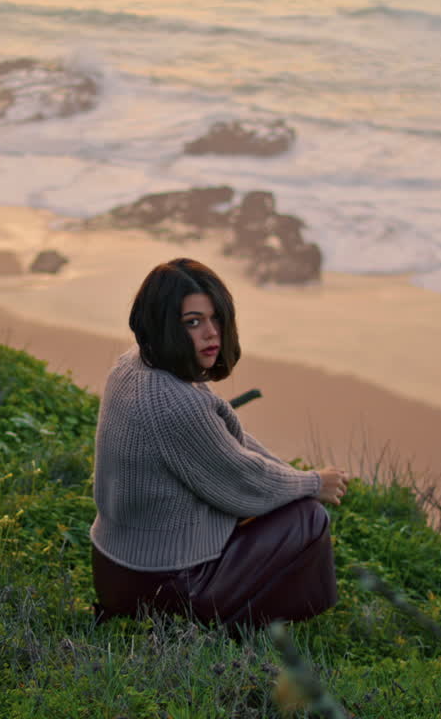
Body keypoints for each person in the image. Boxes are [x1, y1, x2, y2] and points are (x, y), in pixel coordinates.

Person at [89, 257, 350, 627]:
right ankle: (255, 626)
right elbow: (243, 483)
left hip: (114, 570)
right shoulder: (177, 404)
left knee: (282, 501)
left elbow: (230, 442)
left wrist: (291, 475)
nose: (212, 333)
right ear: (164, 324)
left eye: (216, 319)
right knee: (308, 518)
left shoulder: (132, 366)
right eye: (193, 322)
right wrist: (313, 484)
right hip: (165, 588)